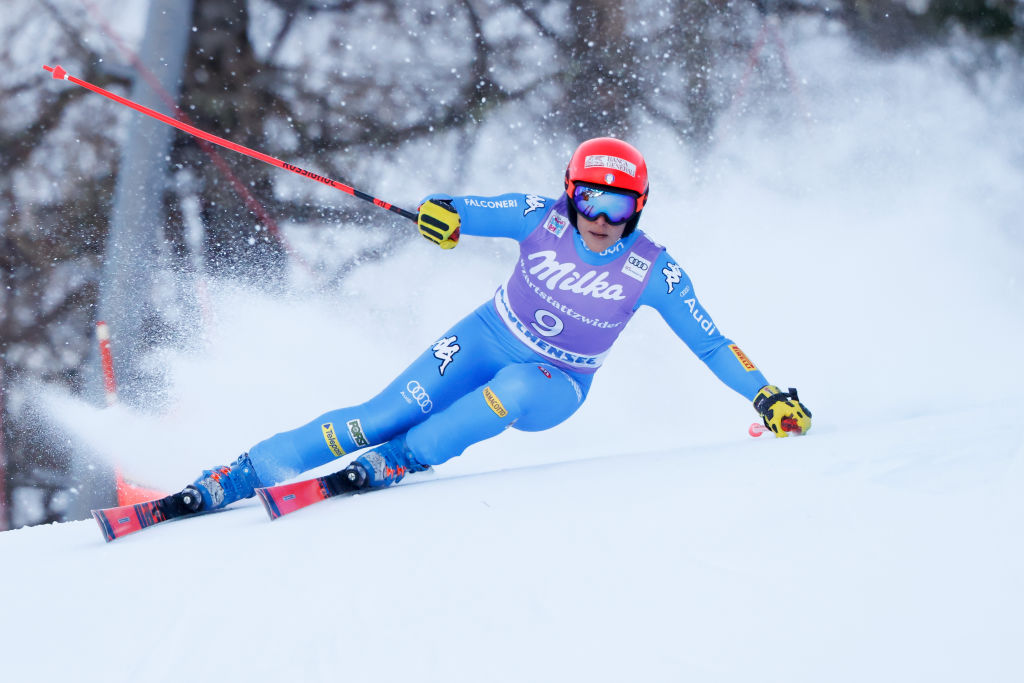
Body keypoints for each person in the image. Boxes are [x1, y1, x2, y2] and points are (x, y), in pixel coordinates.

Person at [179, 137, 812, 512]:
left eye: (617, 205)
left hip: (555, 380)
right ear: (569, 193)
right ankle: (239, 473)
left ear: (638, 209)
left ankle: (403, 460)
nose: (601, 217)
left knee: (505, 394)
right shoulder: (541, 217)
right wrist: (441, 217)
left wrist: (766, 394)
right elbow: (461, 207)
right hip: (484, 335)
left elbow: (710, 341)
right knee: (376, 414)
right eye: (589, 198)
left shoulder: (653, 270)